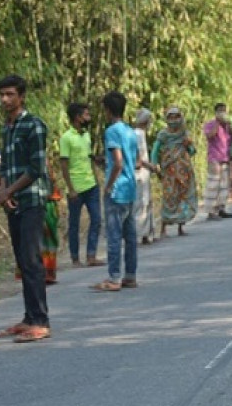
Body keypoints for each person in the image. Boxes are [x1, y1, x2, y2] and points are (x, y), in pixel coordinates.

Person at [0, 75, 51, 343]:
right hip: (13, 200)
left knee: (31, 260)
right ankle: (28, 317)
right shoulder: (7, 127)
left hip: (31, 199)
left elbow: (36, 168)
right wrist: (2, 192)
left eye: (10, 94)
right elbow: (5, 165)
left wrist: (10, 191)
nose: (5, 100)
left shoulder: (33, 125)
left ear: (21, 96)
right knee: (21, 262)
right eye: (2, 95)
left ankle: (40, 320)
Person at [91, 91, 139, 292]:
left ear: (108, 110)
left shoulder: (111, 131)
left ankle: (114, 277)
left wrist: (109, 185)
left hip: (117, 188)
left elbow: (118, 162)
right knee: (130, 236)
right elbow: (132, 161)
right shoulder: (130, 131)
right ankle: (130, 275)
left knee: (113, 235)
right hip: (130, 187)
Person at [59, 102, 104, 267]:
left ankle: (91, 255)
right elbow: (64, 164)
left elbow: (89, 157)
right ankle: (75, 257)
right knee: (74, 224)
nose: (88, 118)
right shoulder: (66, 138)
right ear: (78, 117)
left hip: (91, 184)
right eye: (86, 115)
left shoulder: (86, 135)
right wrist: (70, 188)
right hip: (76, 187)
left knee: (97, 219)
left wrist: (96, 178)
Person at [151, 106, 197, 237]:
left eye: (176, 117)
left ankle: (180, 226)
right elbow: (155, 149)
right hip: (169, 170)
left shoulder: (184, 134)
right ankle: (163, 228)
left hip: (184, 170)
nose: (174, 120)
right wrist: (154, 164)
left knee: (183, 196)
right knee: (169, 196)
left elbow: (192, 151)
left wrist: (188, 145)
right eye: (171, 117)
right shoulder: (163, 134)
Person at [202, 103, 232, 220]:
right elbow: (209, 136)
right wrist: (217, 123)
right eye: (220, 111)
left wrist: (229, 127)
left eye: (224, 111)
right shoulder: (210, 124)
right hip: (214, 158)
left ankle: (221, 208)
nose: (223, 113)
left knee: (224, 186)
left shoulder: (226, 126)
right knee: (213, 184)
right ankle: (210, 211)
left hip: (225, 158)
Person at [133, 108, 158, 244]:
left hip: (144, 173)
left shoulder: (141, 134)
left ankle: (147, 233)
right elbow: (138, 158)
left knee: (146, 202)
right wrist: (151, 166)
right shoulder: (137, 135)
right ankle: (138, 234)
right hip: (139, 173)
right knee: (140, 203)